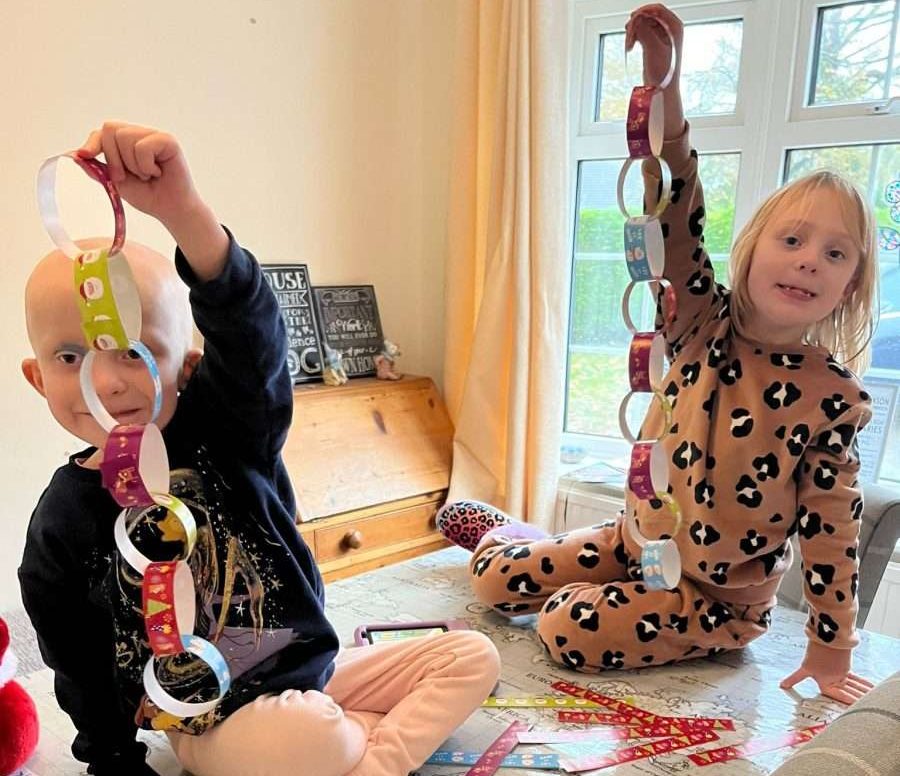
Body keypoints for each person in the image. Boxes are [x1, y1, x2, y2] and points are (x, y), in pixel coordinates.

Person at [19, 122, 500, 776]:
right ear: (35, 376)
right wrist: (113, 761)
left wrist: (185, 215)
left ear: (185, 364)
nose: (107, 382)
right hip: (209, 717)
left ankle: (360, 760)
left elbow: (252, 341)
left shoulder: (230, 425)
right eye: (70, 356)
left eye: (135, 351)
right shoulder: (62, 521)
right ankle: (350, 750)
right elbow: (75, 658)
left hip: (316, 669)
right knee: (309, 738)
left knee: (471, 656)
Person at [437, 3, 878, 707]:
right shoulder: (702, 318)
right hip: (633, 541)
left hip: (717, 600)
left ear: (849, 284)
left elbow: (833, 528)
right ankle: (512, 537)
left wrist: (831, 647)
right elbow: (673, 216)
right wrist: (663, 97)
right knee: (492, 582)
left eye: (834, 255)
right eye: (791, 241)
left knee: (564, 627)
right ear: (752, 248)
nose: (807, 264)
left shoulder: (833, 397)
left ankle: (580, 584)